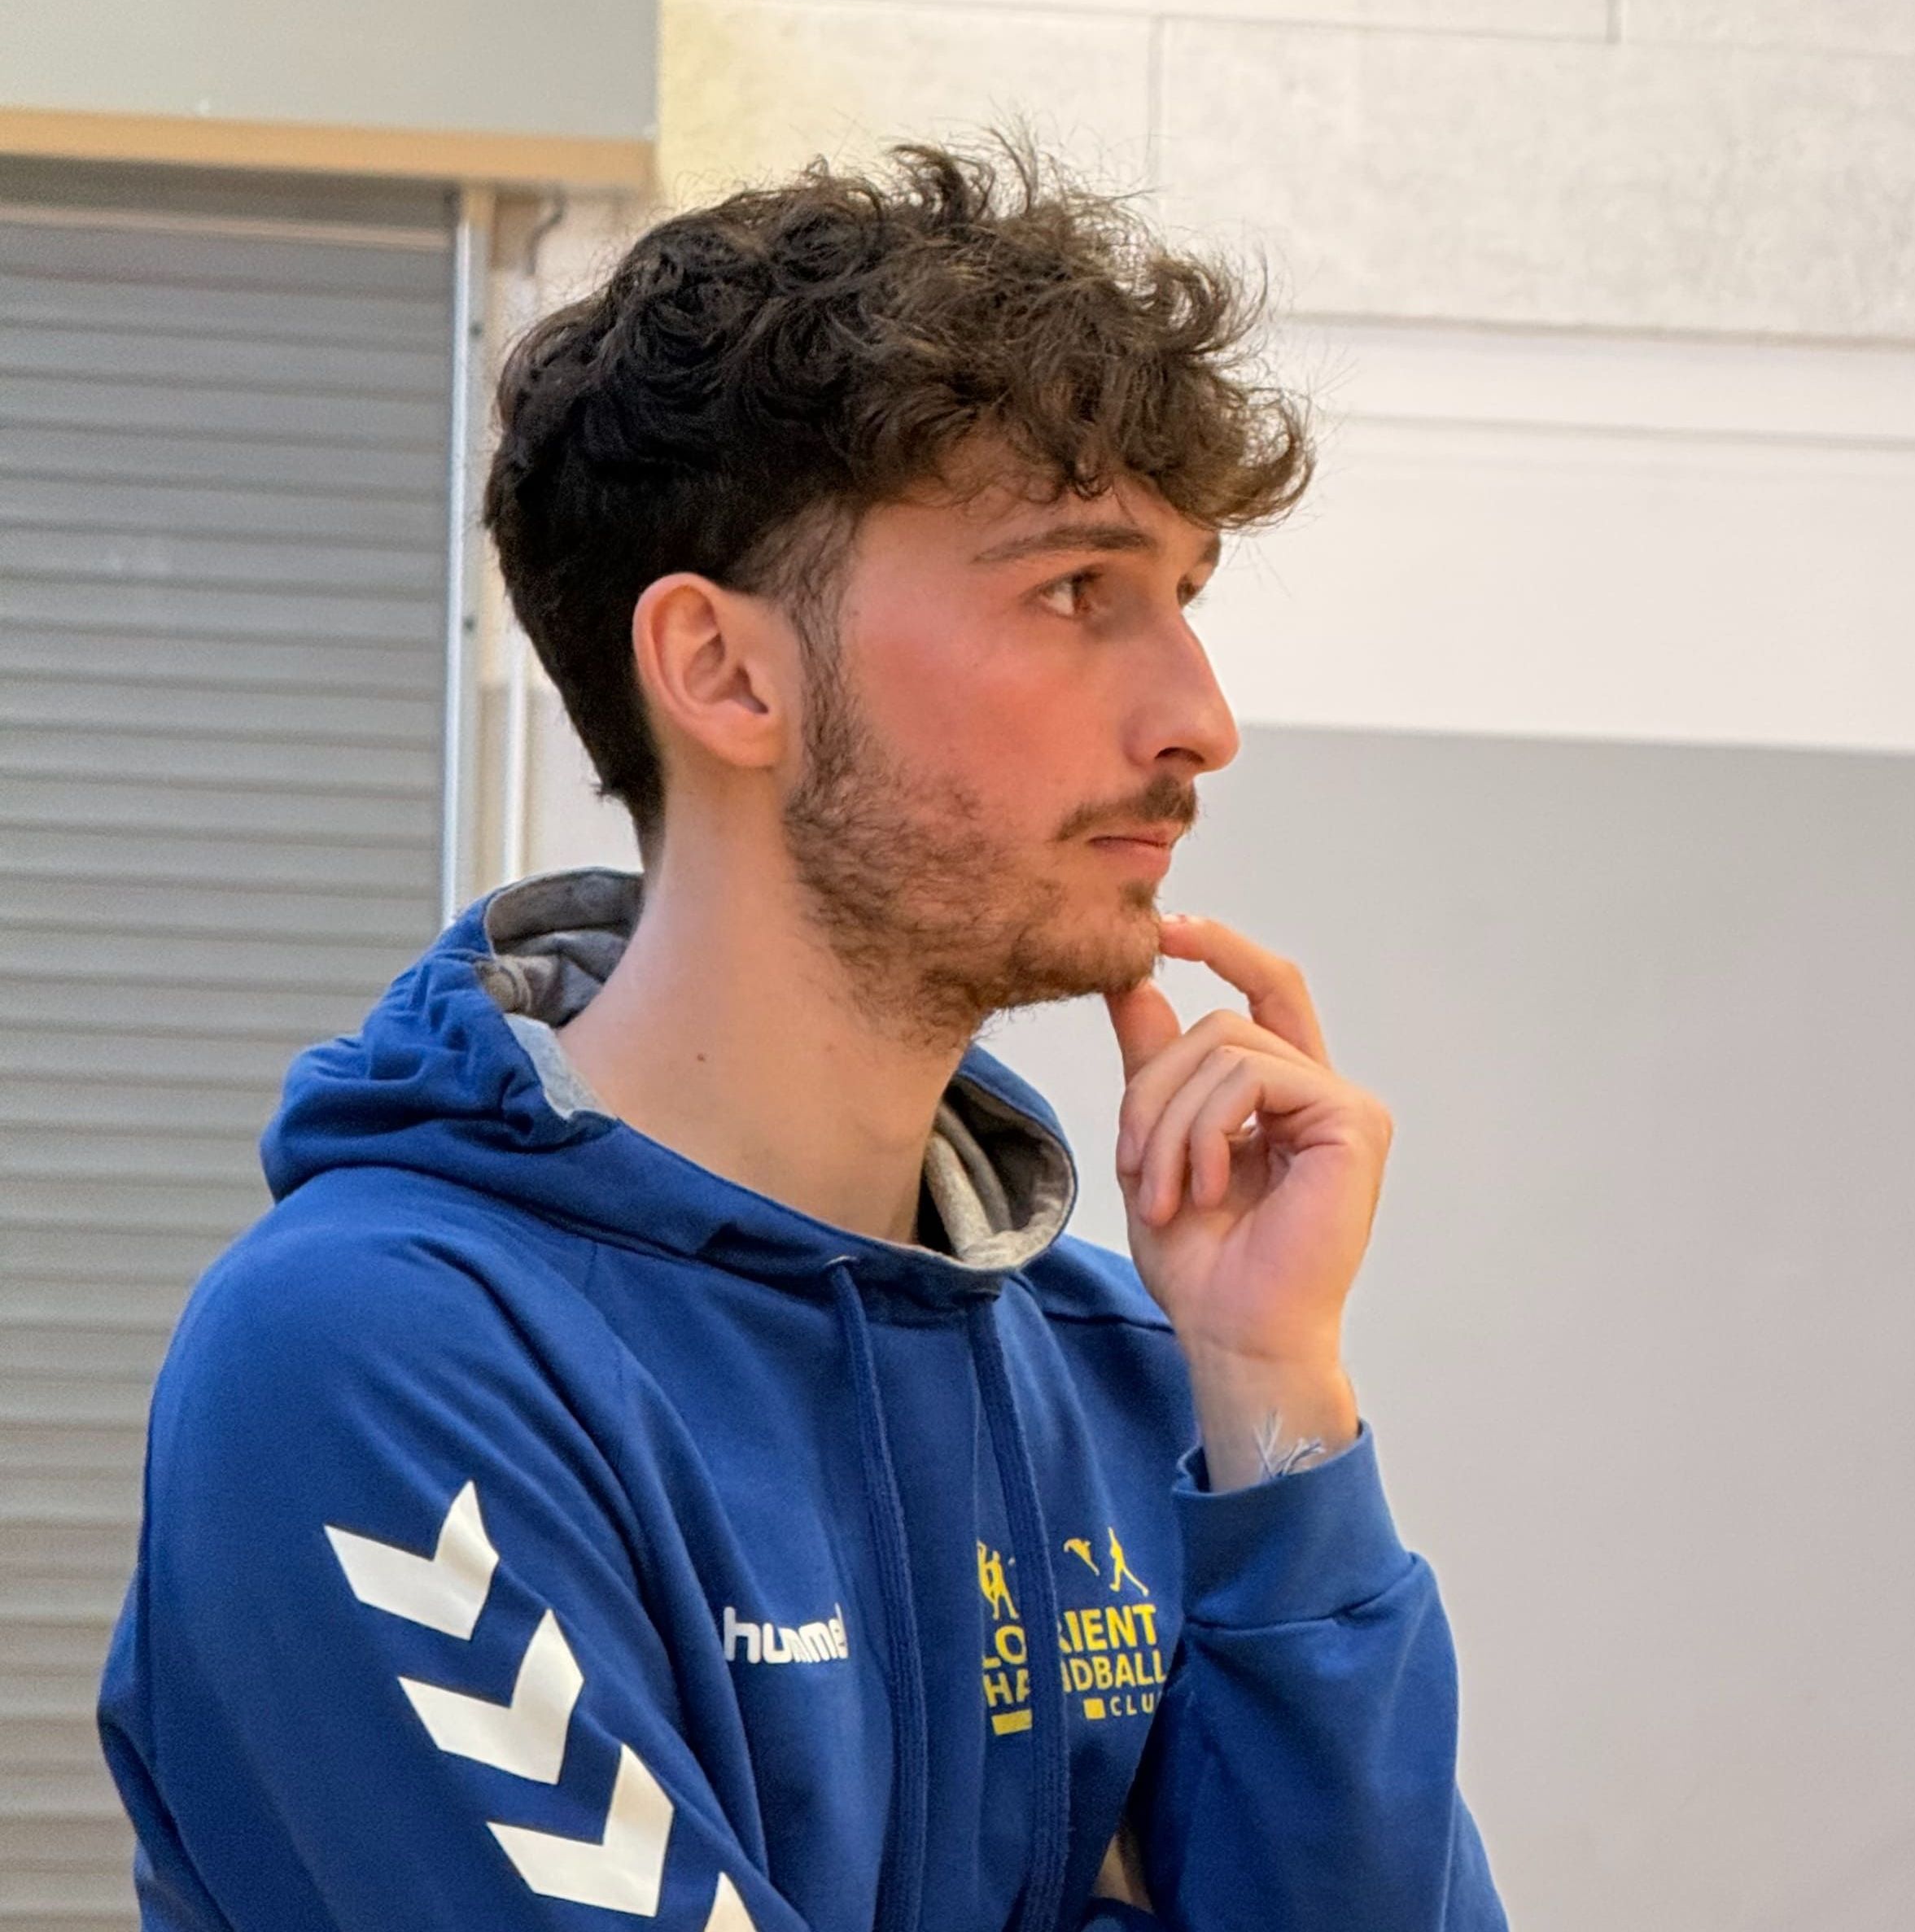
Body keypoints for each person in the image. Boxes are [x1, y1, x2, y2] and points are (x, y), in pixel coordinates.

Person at [96, 134, 1507, 1932]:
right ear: (725, 672)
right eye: (1078, 591)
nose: (1202, 719)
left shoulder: (1137, 1371)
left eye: (1189, 601)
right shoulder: (376, 1363)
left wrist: (1272, 1391)